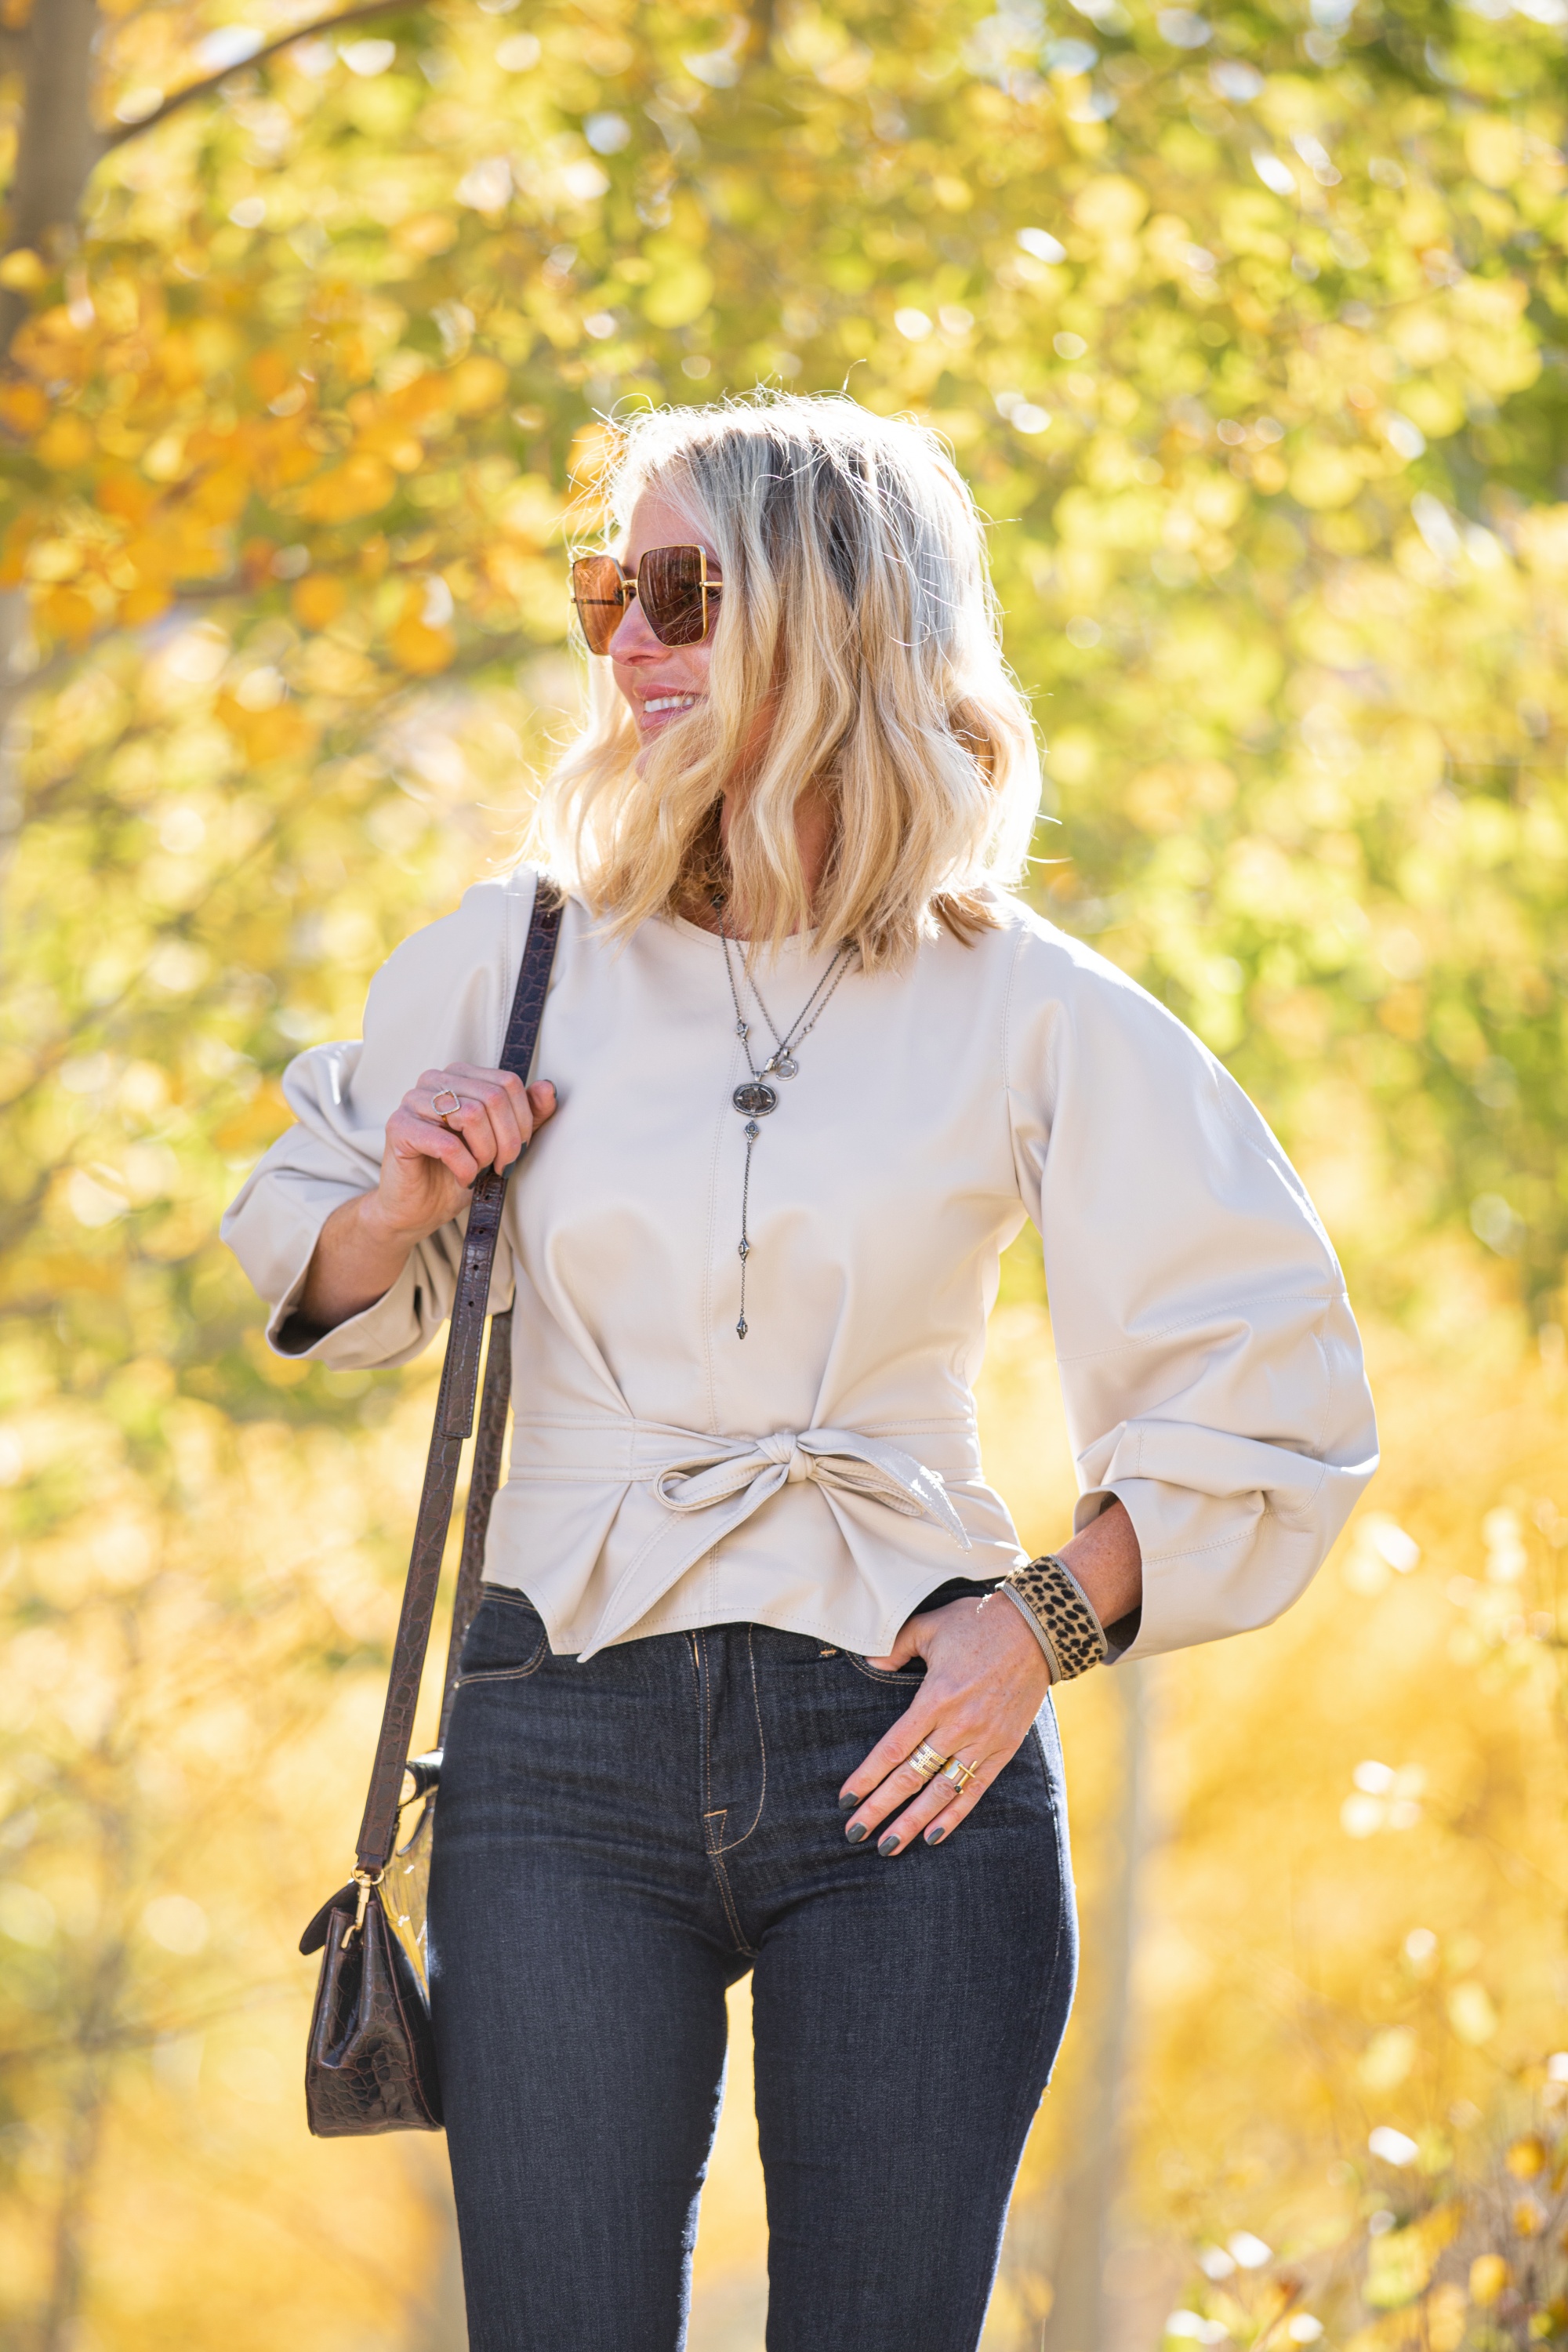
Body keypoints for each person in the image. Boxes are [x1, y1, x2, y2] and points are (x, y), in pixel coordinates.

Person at [223, 393, 1377, 2352]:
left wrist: (1044, 1626)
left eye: (681, 590)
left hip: (906, 1743)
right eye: (611, 595)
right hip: (555, 1737)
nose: (630, 642)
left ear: (839, 619)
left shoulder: (1030, 1004)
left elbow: (1264, 1381)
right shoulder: (512, 960)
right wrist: (402, 1199)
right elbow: (315, 1250)